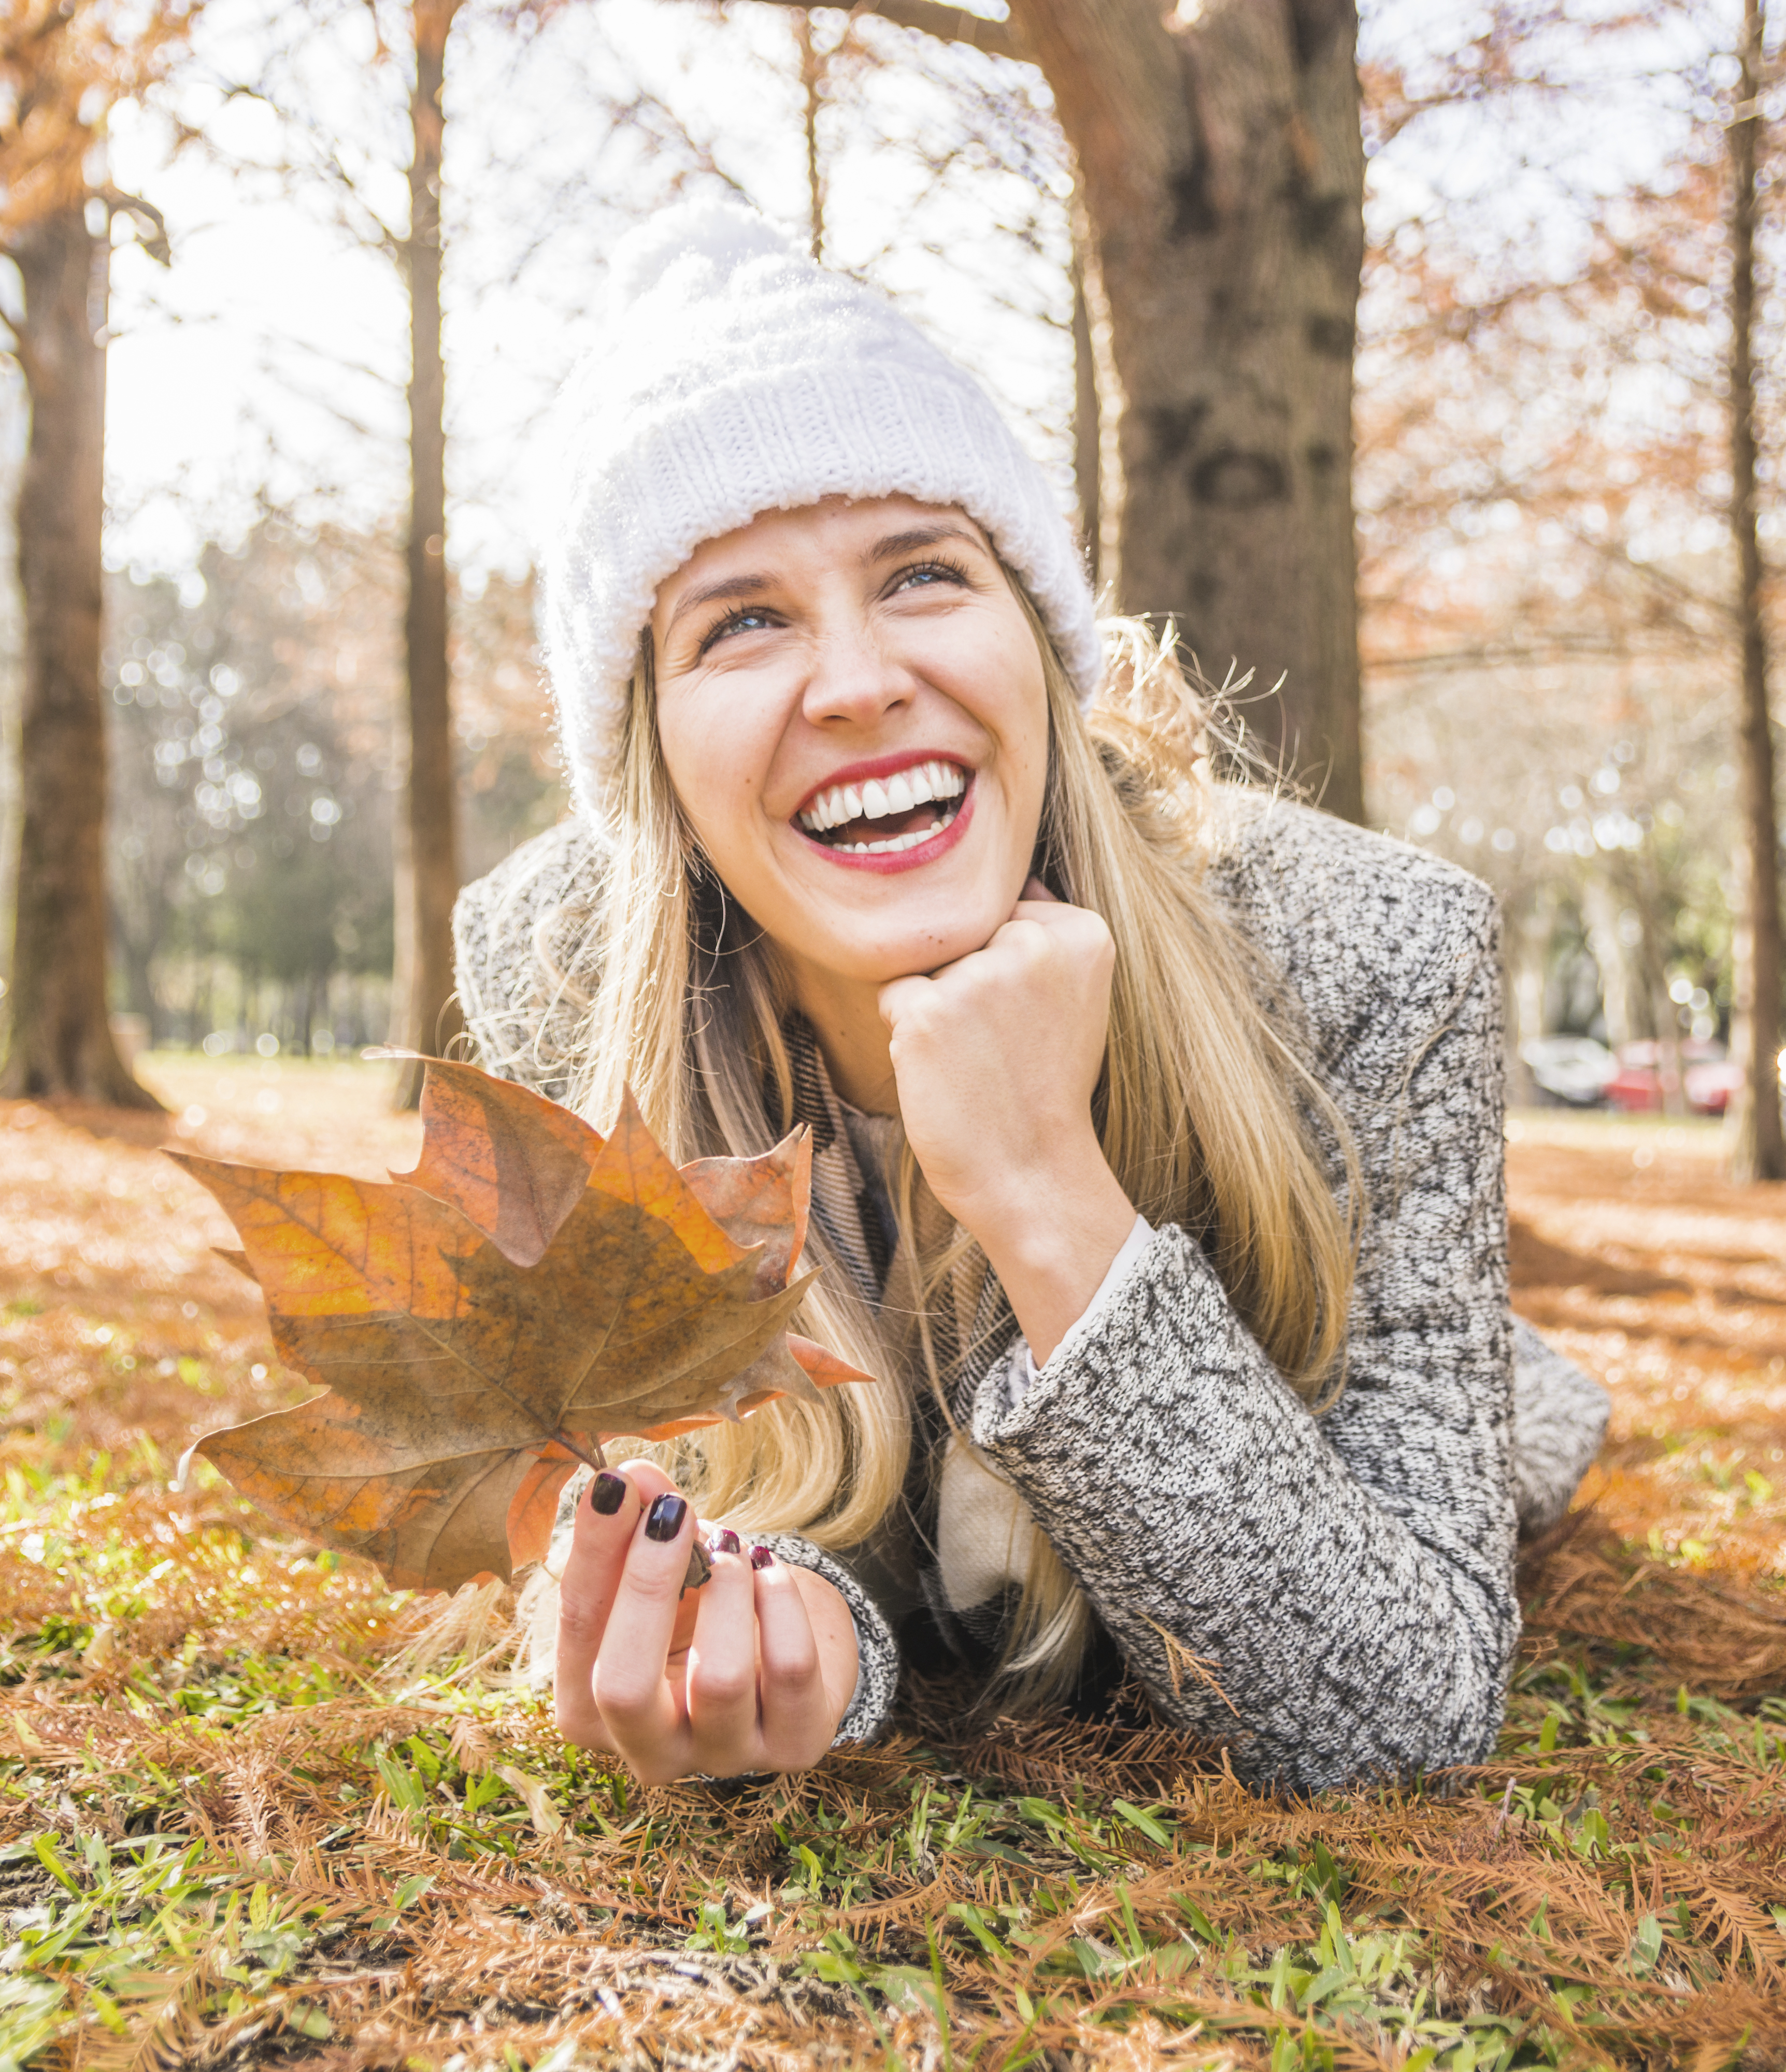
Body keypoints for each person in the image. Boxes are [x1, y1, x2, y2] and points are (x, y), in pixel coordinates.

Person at [451, 202, 1611, 1792]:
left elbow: (1400, 1719)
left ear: (1040, 644)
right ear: (653, 749)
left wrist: (1051, 1196)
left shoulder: (1372, 950)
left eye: (922, 576)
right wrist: (808, 1649)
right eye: (745, 621)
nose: (856, 682)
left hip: (1365, 1435)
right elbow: (694, 1495)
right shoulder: (560, 981)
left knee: (1524, 1423)